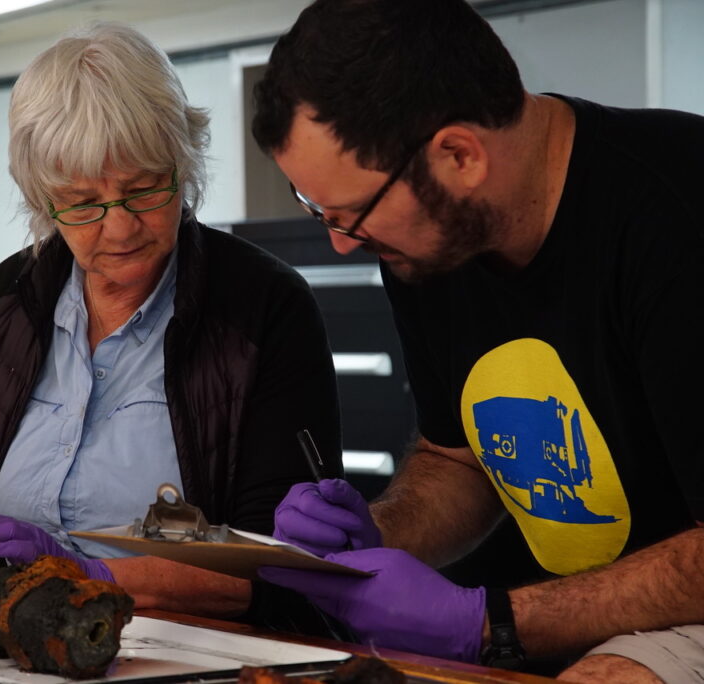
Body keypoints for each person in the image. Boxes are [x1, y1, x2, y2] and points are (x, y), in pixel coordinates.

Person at [250, 0, 704, 681]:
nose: (340, 242)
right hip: (545, 614)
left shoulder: (677, 216)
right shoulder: (430, 242)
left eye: (352, 214)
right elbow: (458, 459)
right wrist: (379, 534)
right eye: (317, 210)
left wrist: (489, 622)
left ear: (459, 155)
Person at [0, 23, 342, 622]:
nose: (120, 228)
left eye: (145, 189)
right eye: (82, 202)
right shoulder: (9, 300)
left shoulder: (264, 309)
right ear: (42, 200)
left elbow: (283, 568)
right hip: (20, 646)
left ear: (184, 167)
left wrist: (89, 574)